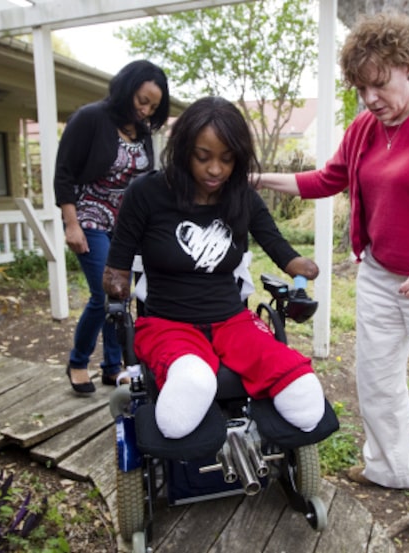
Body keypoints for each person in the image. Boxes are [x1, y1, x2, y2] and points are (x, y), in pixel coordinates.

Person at [253, 11, 409, 553]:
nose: (370, 98)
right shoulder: (365, 129)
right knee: (375, 380)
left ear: (406, 66)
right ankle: (390, 468)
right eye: (361, 87)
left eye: (380, 83)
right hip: (379, 276)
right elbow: (327, 179)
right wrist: (254, 177)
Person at [102, 96, 326, 440]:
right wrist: (115, 283)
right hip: (167, 323)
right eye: (203, 157)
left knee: (299, 389)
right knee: (192, 381)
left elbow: (277, 246)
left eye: (227, 159)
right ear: (183, 150)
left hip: (232, 320)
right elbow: (118, 262)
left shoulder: (242, 198)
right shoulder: (146, 193)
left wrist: (298, 264)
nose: (216, 170)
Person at [54, 59, 170, 394]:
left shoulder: (143, 132)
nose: (146, 110)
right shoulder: (91, 118)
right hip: (89, 217)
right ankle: (78, 362)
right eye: (142, 100)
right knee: (104, 295)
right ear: (126, 89)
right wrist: (71, 223)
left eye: (153, 106)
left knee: (123, 295)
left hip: (127, 225)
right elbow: (64, 173)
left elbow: (145, 182)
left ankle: (111, 366)